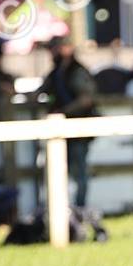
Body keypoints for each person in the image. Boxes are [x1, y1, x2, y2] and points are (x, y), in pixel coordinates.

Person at [38, 36, 98, 207]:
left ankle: (80, 209)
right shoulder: (56, 72)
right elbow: (41, 91)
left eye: (54, 48)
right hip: (60, 129)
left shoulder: (77, 71)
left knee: (79, 172)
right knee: (57, 172)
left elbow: (86, 99)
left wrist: (62, 113)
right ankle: (60, 210)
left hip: (79, 130)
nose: (51, 53)